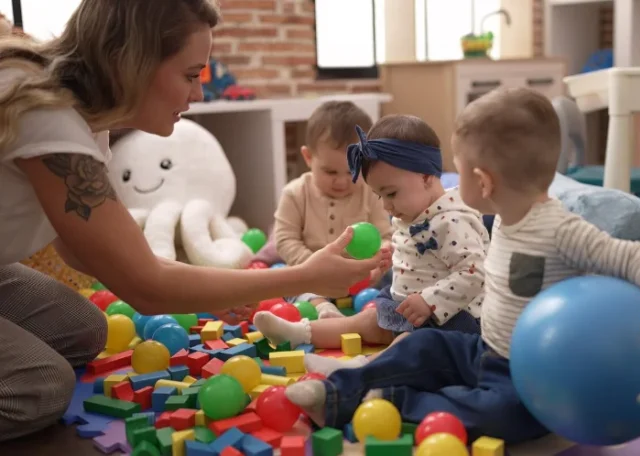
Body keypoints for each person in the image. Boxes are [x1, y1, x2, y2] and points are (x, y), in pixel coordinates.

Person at [0, 0, 388, 442]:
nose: (199, 94)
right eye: (190, 75)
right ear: (132, 63)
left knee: (84, 331)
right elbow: (146, 286)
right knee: (41, 386)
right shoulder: (47, 115)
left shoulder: (88, 120)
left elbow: (86, 250)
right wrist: (303, 276)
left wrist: (207, 289)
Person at [282, 88, 640, 444]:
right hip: (483, 348)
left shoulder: (559, 229)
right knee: (420, 346)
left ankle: (392, 402)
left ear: (483, 181)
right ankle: (337, 392)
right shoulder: (503, 219)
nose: (447, 181)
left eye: (457, 171)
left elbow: (631, 255)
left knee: (502, 415)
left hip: (531, 376)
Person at [254, 114, 489, 375]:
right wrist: (389, 254)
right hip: (408, 307)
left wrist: (429, 301)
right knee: (366, 320)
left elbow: (474, 273)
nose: (386, 206)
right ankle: (298, 333)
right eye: (380, 196)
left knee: (411, 344)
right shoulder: (414, 211)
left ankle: (359, 371)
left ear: (425, 177)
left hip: (450, 320)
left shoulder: (453, 221)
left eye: (391, 194)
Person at [273, 101, 392, 318]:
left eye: (352, 171)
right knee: (289, 282)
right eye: (330, 172)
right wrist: (313, 266)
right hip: (312, 275)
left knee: (396, 276)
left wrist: (379, 261)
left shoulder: (371, 192)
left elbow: (386, 236)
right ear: (308, 157)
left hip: (361, 277)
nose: (342, 181)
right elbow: (285, 240)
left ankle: (379, 311)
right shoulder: (294, 194)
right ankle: (324, 309)